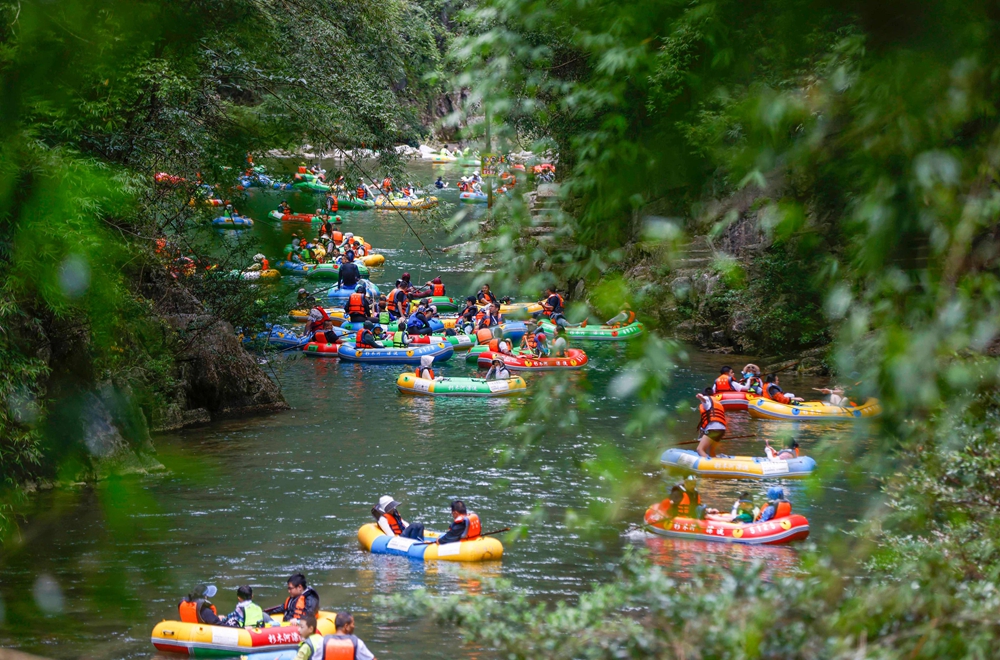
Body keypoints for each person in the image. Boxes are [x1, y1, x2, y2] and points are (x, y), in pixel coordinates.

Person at [695, 387, 726, 458]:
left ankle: (707, 466)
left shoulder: (706, 399)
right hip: (721, 430)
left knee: (700, 449)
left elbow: (704, 400)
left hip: (713, 429)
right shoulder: (717, 402)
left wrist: (700, 397)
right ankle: (716, 465)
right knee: (711, 451)